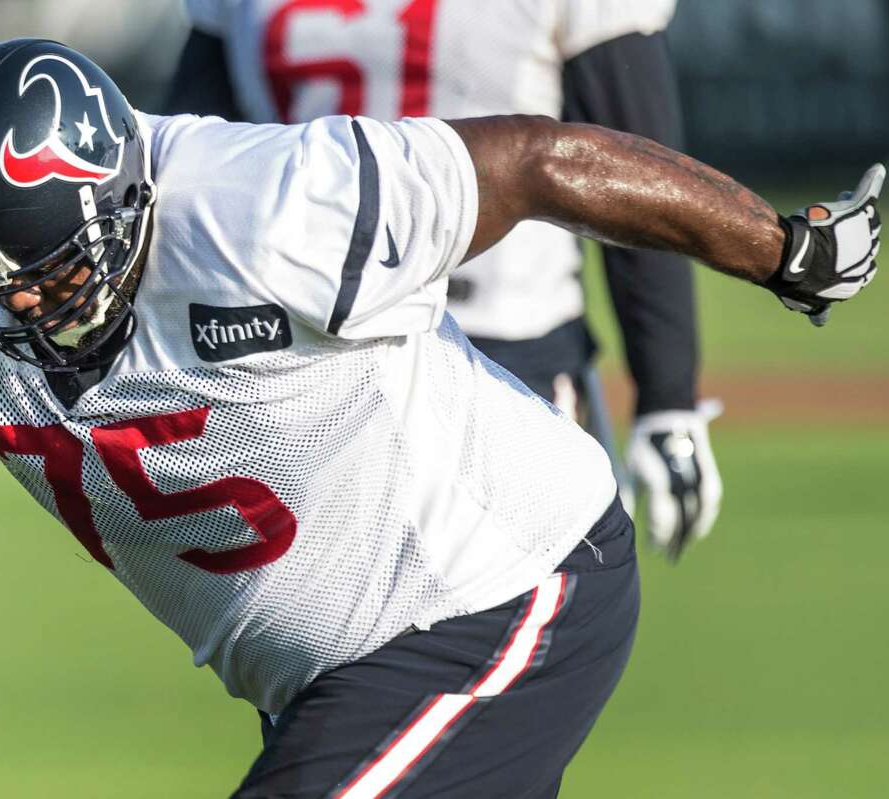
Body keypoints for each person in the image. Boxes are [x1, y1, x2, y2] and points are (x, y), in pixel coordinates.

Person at [0, 39, 882, 799]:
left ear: (121, 201)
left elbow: (544, 161)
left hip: (495, 590)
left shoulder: (272, 203)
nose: (17, 304)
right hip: (334, 676)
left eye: (47, 273)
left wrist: (784, 250)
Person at [165, 0, 720, 559]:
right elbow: (636, 170)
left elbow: (186, 179)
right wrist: (666, 395)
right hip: (384, 351)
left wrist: (667, 396)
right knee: (529, 613)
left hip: (347, 347)